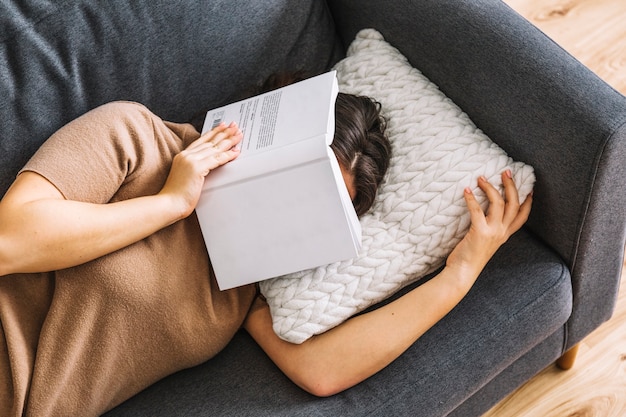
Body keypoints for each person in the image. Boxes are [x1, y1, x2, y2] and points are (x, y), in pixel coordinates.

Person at [0, 77, 531, 416]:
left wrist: (460, 273)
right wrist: (170, 204)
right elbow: (10, 239)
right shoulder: (135, 136)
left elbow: (321, 371)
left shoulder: (247, 278)